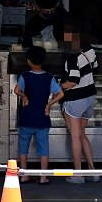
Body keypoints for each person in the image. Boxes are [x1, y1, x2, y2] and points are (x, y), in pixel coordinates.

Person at [14, 45, 63, 185]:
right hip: (42, 118)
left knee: (23, 147)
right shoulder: (49, 77)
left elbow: (16, 90)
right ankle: (43, 177)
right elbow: (61, 93)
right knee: (43, 148)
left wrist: (24, 96)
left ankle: (24, 175)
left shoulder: (25, 76)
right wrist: (49, 104)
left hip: (26, 118)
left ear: (28, 61)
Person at [59, 19, 100, 183]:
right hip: (90, 97)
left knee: (75, 136)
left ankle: (78, 174)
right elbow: (95, 68)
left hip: (75, 99)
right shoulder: (90, 50)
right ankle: (93, 171)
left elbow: (73, 81)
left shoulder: (72, 56)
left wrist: (58, 85)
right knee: (82, 134)